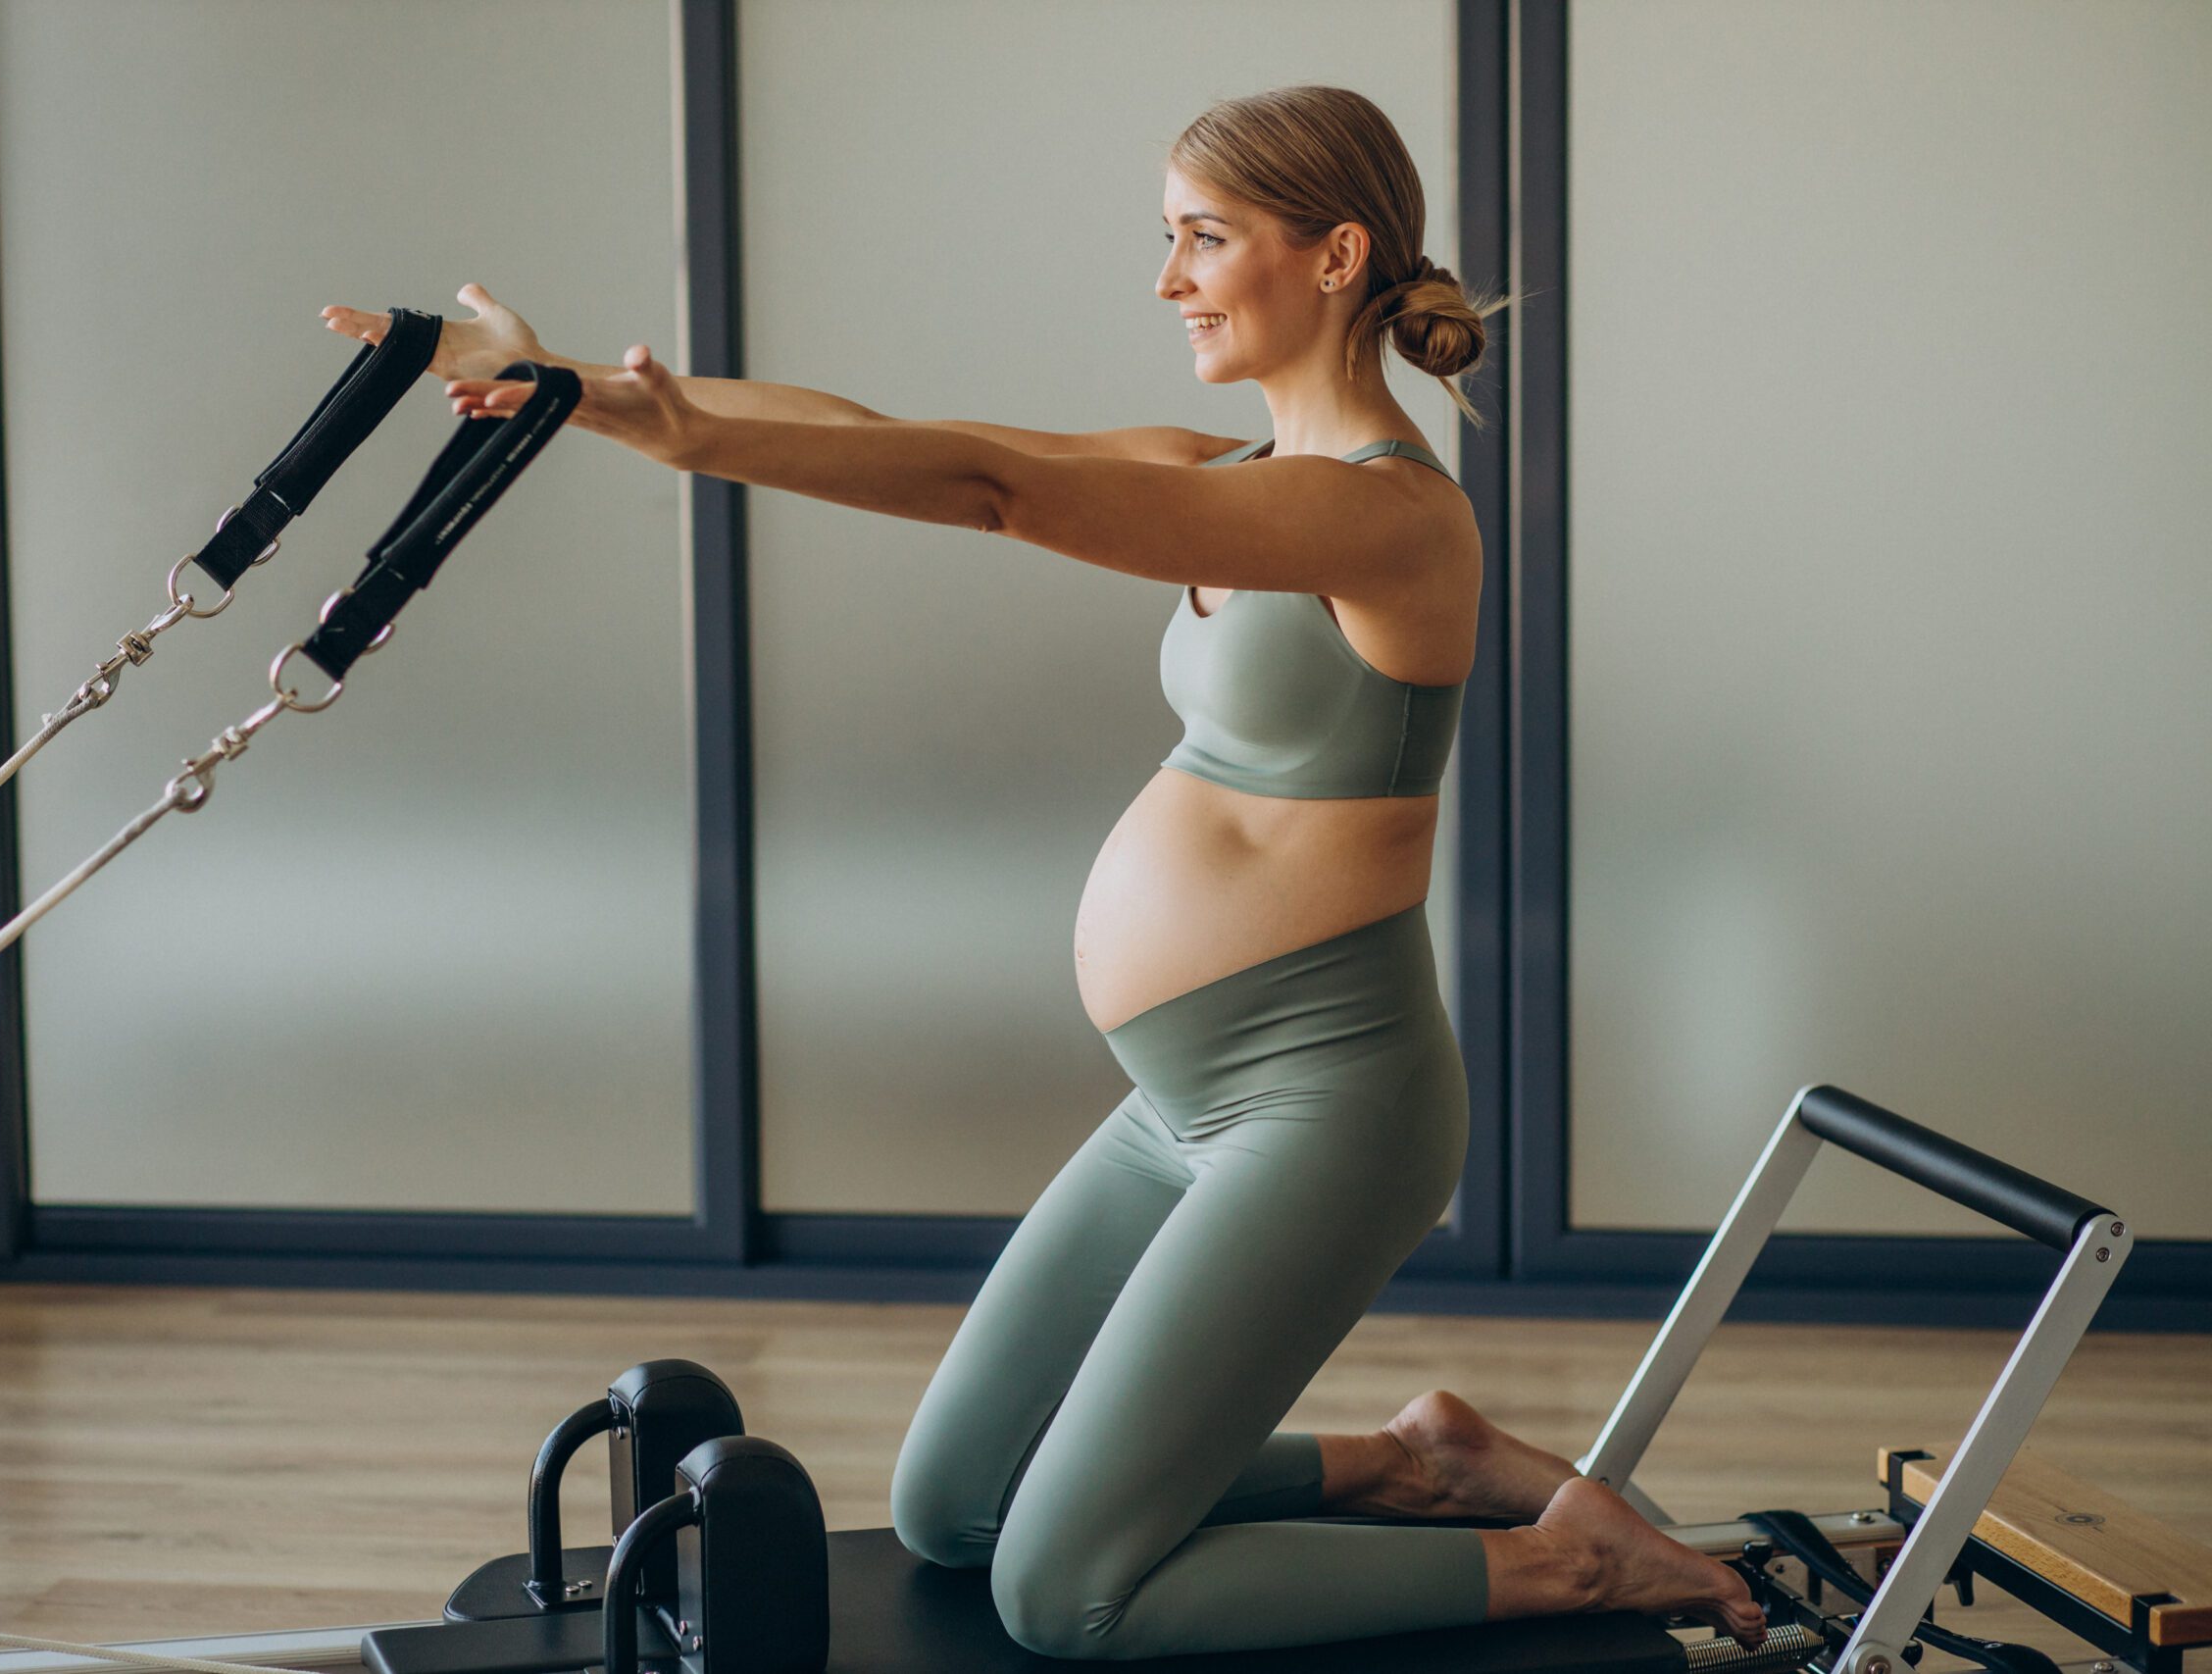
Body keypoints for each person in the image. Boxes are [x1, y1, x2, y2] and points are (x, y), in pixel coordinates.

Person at [327, 80, 1764, 1665]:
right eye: (1169, 239)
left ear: (1337, 252)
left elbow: (993, 493)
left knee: (1065, 1596)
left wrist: (672, 429)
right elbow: (907, 437)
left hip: (1325, 1105)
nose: (1170, 281)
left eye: (1206, 239)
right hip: (1181, 1106)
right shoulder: (1224, 470)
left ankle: (1573, 1566)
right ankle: (1416, 1465)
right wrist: (593, 395)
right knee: (954, 1509)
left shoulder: (1393, 522)